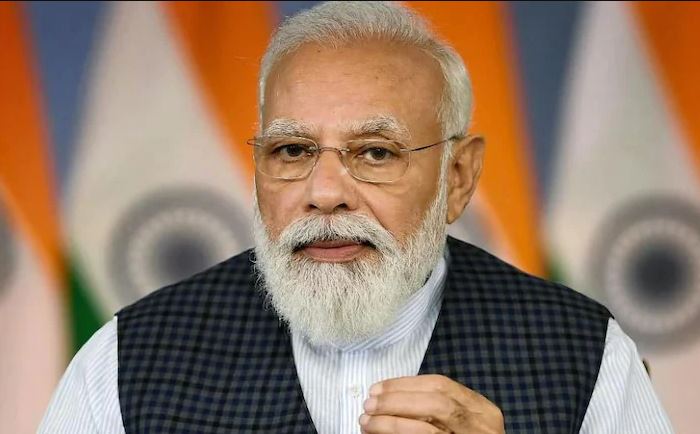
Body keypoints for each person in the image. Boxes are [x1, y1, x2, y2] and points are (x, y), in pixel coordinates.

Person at [40, 2, 673, 433]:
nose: (323, 194)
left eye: (375, 153)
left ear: (458, 177)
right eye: (292, 150)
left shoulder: (583, 353)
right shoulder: (130, 359)